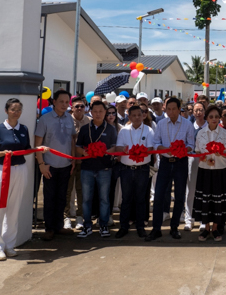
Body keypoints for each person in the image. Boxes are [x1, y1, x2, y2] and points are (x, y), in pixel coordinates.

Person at [0, 98, 46, 260]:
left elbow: (25, 150)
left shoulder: (23, 129)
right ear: (6, 110)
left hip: (20, 170)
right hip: (1, 171)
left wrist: (38, 149)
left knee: (14, 209)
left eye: (19, 109)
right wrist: (3, 153)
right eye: (13, 109)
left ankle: (9, 245)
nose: (16, 112)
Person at [146, 97, 195, 241]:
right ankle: (156, 228)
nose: (171, 111)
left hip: (181, 162)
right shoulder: (161, 124)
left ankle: (174, 228)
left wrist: (182, 149)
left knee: (179, 196)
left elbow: (191, 144)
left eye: (174, 108)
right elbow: (156, 143)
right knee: (160, 195)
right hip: (165, 162)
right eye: (169, 109)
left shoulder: (187, 124)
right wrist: (166, 149)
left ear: (180, 109)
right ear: (165, 109)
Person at [35, 89, 75, 241]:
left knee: (61, 198)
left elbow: (72, 139)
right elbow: (37, 144)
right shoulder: (45, 120)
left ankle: (58, 226)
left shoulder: (69, 119)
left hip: (65, 165)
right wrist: (41, 164)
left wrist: (72, 159)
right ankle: (49, 228)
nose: (64, 105)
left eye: (67, 102)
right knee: (49, 197)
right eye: (61, 102)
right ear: (54, 102)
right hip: (49, 166)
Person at [75, 100, 118, 238]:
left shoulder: (110, 129)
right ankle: (87, 226)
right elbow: (78, 147)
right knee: (86, 198)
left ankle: (103, 225)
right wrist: (84, 153)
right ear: (91, 112)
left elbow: (114, 147)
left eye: (101, 111)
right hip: (87, 168)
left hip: (104, 168)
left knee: (104, 198)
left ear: (105, 112)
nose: (98, 114)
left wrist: (105, 151)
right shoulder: (84, 129)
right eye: (95, 111)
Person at [193, 105, 226, 242]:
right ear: (206, 118)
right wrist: (203, 157)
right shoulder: (200, 133)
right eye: (211, 117)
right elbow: (198, 150)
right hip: (205, 170)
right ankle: (206, 227)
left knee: (217, 200)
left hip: (220, 170)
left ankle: (215, 228)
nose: (214, 119)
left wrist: (220, 153)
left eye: (216, 116)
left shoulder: (225, 134)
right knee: (206, 199)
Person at [114, 105, 155, 238]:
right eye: (134, 115)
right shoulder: (124, 131)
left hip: (142, 169)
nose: (137, 117)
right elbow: (118, 147)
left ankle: (140, 227)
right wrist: (123, 149)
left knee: (140, 199)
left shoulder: (148, 130)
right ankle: (124, 227)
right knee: (126, 199)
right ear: (129, 116)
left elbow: (149, 149)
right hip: (126, 169)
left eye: (139, 114)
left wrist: (139, 151)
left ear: (143, 115)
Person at [64, 96, 91, 231]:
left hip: (84, 161)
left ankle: (80, 217)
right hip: (68, 160)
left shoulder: (90, 121)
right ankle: (66, 217)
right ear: (72, 108)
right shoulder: (67, 121)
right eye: (77, 106)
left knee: (82, 191)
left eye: (82, 106)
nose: (80, 109)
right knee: (67, 191)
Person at [184, 102, 208, 231]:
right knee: (190, 190)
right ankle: (189, 219)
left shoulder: (209, 127)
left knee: (204, 190)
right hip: (192, 159)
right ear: (192, 112)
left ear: (204, 112)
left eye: (200, 110)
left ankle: (203, 219)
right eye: (196, 110)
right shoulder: (189, 127)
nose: (198, 112)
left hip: (207, 161)